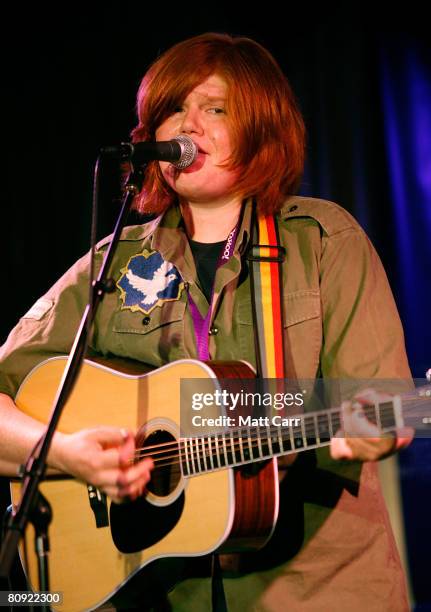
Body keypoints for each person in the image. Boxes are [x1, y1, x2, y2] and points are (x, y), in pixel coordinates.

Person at [0, 33, 413, 611]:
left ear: (261, 126)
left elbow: (378, 399)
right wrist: (66, 452)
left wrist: (369, 422)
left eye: (214, 110)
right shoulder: (112, 263)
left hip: (315, 591)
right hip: (156, 594)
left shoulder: (322, 241)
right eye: (173, 109)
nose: (186, 127)